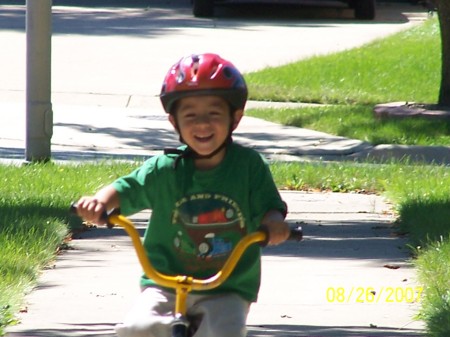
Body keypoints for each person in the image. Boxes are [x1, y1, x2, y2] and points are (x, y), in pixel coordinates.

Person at [75, 53, 290, 337]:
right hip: (163, 283)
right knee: (138, 328)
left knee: (224, 331)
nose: (202, 124)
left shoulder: (248, 166)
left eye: (214, 114)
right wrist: (100, 202)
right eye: (190, 115)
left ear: (235, 118)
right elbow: (127, 188)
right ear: (174, 121)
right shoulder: (165, 169)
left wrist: (274, 224)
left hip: (227, 286)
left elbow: (269, 207)